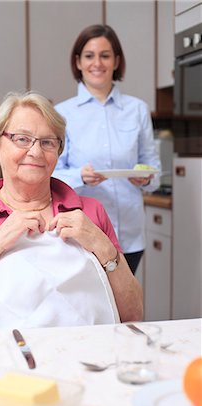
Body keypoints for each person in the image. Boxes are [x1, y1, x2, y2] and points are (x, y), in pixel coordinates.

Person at [0, 91, 143, 332]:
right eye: (22, 139)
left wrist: (103, 246)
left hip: (89, 358)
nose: (36, 152)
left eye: (47, 142)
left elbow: (133, 313)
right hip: (3, 360)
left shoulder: (91, 212)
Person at [53, 24, 161, 274]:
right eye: (89, 56)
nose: (97, 63)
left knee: (124, 310)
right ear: (78, 62)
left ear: (116, 61)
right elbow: (51, 175)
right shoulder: (61, 113)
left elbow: (154, 170)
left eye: (105, 55)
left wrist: (145, 177)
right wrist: (79, 176)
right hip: (82, 233)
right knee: (90, 309)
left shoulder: (138, 110)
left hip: (130, 236)